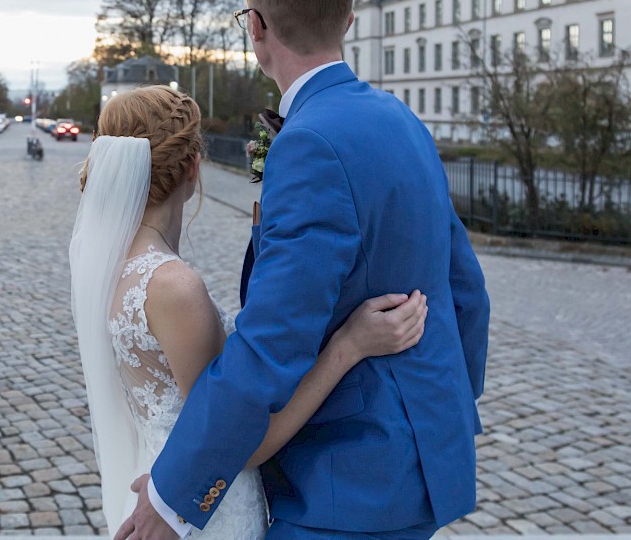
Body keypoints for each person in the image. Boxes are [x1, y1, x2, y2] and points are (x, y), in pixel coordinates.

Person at [116, 0, 490, 540]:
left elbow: (272, 342)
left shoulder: (309, 143)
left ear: (256, 27)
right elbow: (464, 288)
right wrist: (443, 410)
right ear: (346, 19)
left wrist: (174, 495)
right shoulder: (404, 120)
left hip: (347, 483)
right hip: (420, 465)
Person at [69, 85, 429, 539]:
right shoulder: (173, 286)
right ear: (194, 168)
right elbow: (246, 443)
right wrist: (350, 344)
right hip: (205, 509)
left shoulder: (109, 269)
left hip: (156, 487)